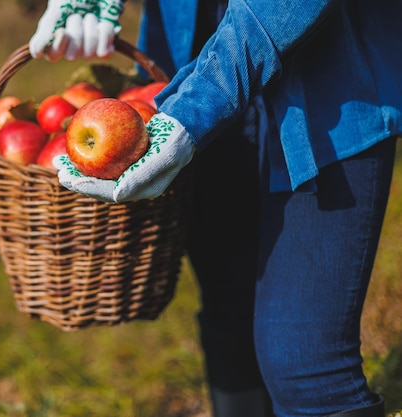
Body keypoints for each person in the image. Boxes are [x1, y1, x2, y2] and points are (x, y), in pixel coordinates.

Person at [29, 1, 402, 416]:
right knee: (229, 314)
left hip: (328, 81)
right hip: (188, 47)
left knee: (304, 362)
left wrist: (199, 104)